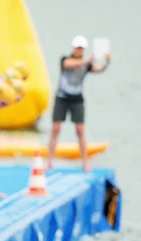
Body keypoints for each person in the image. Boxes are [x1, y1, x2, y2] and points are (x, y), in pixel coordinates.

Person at [48, 35, 111, 172]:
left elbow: (98, 69)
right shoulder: (65, 59)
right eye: (77, 48)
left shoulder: (86, 64)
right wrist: (89, 60)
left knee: (80, 131)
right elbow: (69, 65)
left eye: (81, 48)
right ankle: (49, 161)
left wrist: (106, 62)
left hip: (77, 99)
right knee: (56, 129)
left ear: (84, 49)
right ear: (73, 48)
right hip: (62, 98)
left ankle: (85, 162)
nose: (79, 50)